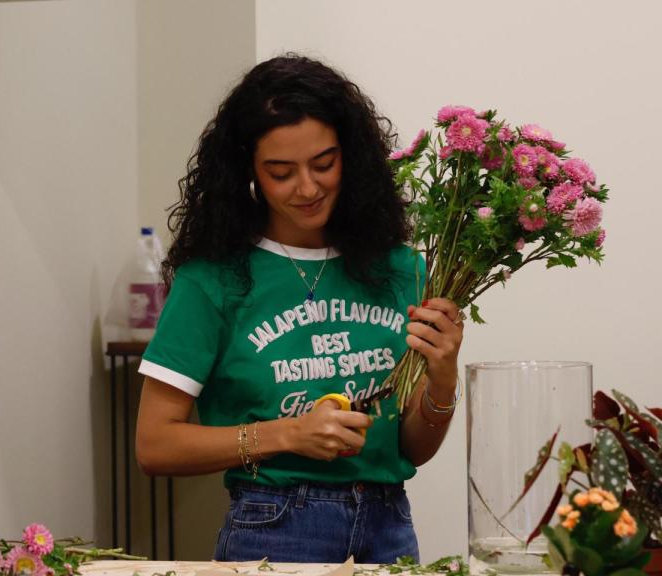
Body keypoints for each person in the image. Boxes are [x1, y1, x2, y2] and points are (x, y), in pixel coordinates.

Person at [134, 54, 463, 563]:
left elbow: (411, 449)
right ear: (250, 173)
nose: (307, 188)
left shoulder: (403, 270)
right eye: (281, 172)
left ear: (351, 157)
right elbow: (154, 446)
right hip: (274, 529)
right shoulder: (212, 280)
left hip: (391, 528)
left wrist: (443, 379)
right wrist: (289, 434)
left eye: (324, 164)